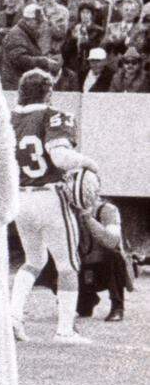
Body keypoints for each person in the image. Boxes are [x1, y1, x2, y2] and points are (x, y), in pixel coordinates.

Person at [8, 69, 97, 344]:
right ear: (49, 91)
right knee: (68, 264)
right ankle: (65, 330)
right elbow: (59, 157)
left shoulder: (10, 119)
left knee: (34, 260)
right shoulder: (53, 115)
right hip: (50, 196)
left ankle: (13, 318)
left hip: (20, 197)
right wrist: (88, 162)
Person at [75, 173, 131, 323]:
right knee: (83, 310)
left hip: (105, 266)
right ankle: (88, 297)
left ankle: (117, 306)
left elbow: (112, 241)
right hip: (83, 266)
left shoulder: (108, 209)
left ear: (96, 190)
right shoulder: (70, 211)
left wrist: (88, 218)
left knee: (114, 255)